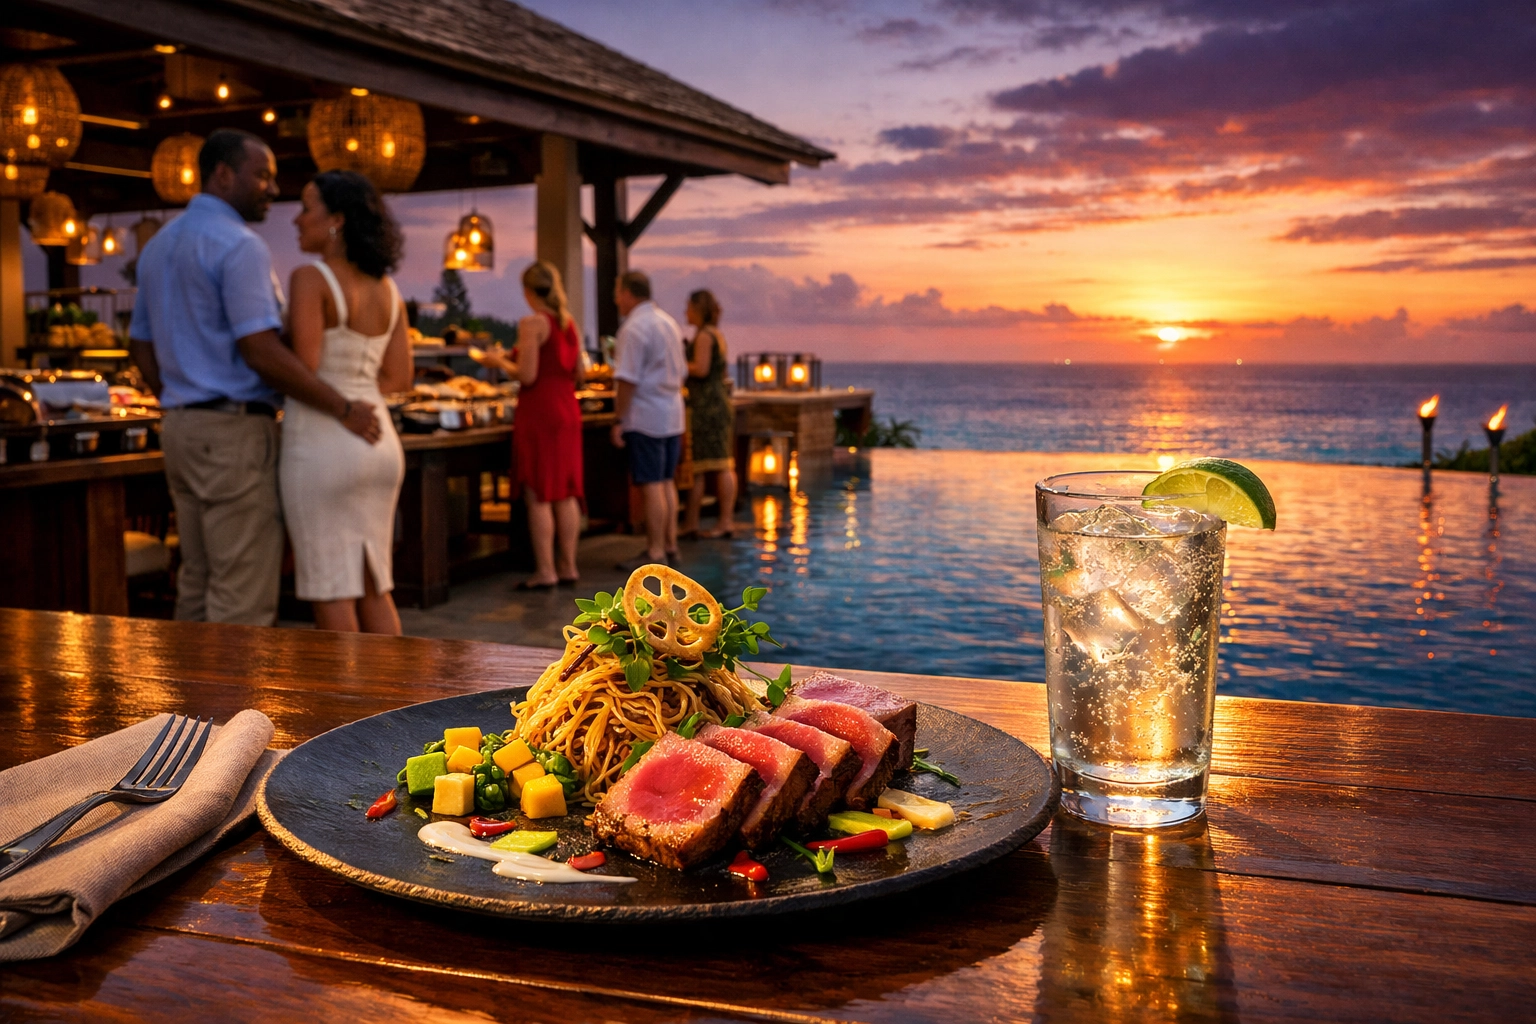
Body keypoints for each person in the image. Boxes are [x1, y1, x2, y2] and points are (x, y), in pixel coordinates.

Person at [129, 129, 380, 626]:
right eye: (262, 175)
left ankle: (189, 703)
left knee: (196, 581)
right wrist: (343, 407)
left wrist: (180, 398)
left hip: (181, 429)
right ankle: (227, 705)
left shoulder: (159, 246)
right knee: (240, 596)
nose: (272, 187)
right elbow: (260, 350)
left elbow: (139, 343)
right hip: (234, 433)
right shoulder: (240, 246)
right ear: (223, 174)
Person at [281, 170, 412, 634]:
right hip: (380, 443)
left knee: (329, 585)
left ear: (336, 219)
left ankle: (352, 704)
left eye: (305, 207)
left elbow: (306, 365)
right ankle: (395, 700)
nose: (296, 219)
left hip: (324, 442)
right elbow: (400, 376)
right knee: (375, 584)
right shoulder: (389, 289)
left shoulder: (310, 279)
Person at [475, 261, 585, 589]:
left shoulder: (533, 323)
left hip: (540, 412)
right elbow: (579, 374)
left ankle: (546, 570)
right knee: (564, 493)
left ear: (527, 291)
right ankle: (568, 566)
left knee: (538, 494)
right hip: (567, 409)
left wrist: (498, 361)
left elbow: (527, 375)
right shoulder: (569, 324)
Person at [610, 270, 687, 570]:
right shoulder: (668, 322)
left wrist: (618, 419)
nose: (617, 300)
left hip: (646, 415)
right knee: (667, 482)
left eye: (618, 293)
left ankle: (655, 552)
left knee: (651, 484)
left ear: (628, 293)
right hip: (673, 412)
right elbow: (682, 371)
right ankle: (670, 544)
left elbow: (627, 380)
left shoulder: (634, 327)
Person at [679, 289, 738, 539]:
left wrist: (677, 363)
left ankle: (715, 522)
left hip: (706, 407)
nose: (686, 312)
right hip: (717, 403)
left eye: (689, 307)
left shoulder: (704, 336)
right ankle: (705, 522)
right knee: (715, 464)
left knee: (710, 465)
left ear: (698, 309)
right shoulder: (717, 335)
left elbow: (701, 369)